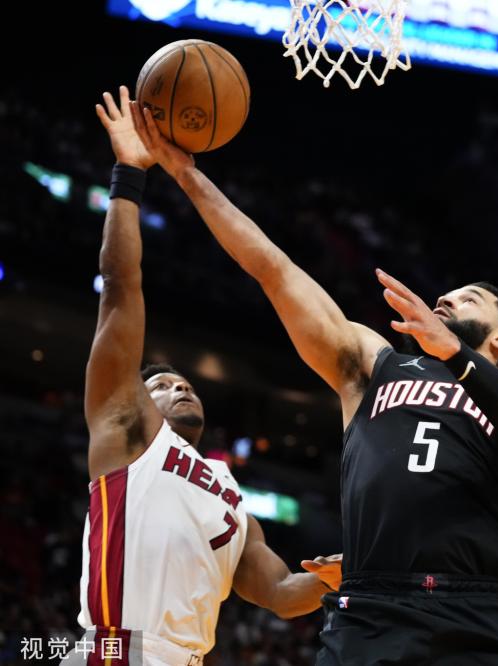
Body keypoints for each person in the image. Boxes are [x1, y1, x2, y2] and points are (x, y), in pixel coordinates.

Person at [130, 102, 498, 664]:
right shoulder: (373, 364)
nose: (447, 298)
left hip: (477, 607)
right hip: (370, 604)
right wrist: (186, 174)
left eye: (469, 297)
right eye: (447, 295)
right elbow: (274, 268)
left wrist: (454, 352)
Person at [76, 87, 341, 666]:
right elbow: (120, 290)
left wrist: (335, 577)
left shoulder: (228, 495)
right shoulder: (126, 432)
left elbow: (279, 594)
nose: (180, 385)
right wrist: (128, 175)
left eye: (185, 383)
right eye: (162, 385)